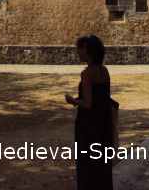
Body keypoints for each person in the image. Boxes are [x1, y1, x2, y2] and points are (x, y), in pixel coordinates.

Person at [65, 35, 113, 190]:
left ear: (88, 51)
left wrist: (72, 100)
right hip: (104, 124)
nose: (78, 52)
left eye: (81, 49)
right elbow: (102, 98)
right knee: (102, 166)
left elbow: (87, 103)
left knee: (87, 167)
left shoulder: (87, 73)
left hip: (88, 127)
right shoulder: (104, 71)